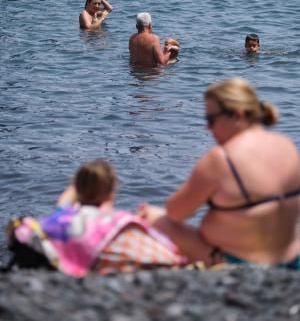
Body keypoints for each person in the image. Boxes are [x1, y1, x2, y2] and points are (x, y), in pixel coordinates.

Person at [139, 78, 300, 269]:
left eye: (211, 119)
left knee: (153, 218)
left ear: (237, 115)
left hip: (242, 266)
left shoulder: (221, 159)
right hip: (291, 261)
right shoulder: (286, 145)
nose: (208, 128)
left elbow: (175, 213)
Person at [7, 159, 187, 276]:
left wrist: (81, 183)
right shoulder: (116, 219)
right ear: (111, 192)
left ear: (78, 189)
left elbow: (64, 201)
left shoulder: (64, 217)